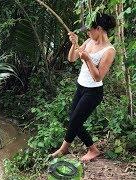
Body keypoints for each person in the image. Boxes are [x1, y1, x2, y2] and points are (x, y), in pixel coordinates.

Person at [51, 13, 117, 161]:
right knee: (73, 119)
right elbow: (72, 58)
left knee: (75, 120)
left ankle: (71, 149)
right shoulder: (88, 41)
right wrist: (75, 44)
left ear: (99, 28)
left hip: (93, 92)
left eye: (89, 29)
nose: (87, 33)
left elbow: (98, 76)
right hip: (81, 87)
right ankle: (80, 149)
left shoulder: (109, 50)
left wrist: (87, 59)